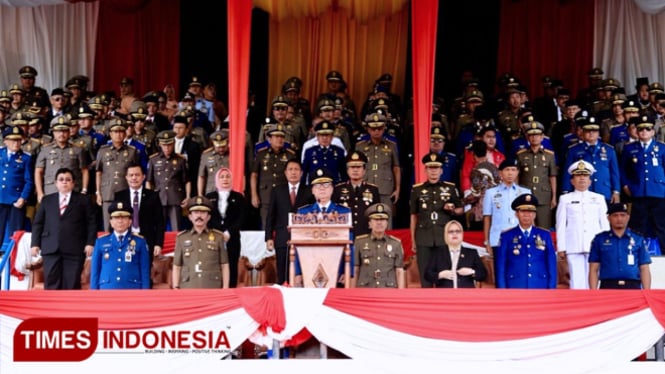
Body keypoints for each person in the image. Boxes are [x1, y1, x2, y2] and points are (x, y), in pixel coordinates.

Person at [30, 168, 98, 290]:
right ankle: (52, 309)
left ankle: (69, 309)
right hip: (51, 248)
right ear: (56, 183)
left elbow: (92, 223)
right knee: (51, 284)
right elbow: (38, 223)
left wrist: (90, 243)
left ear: (73, 183)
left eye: (68, 180)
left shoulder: (84, 200)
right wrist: (35, 244)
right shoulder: (47, 200)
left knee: (71, 284)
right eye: (61, 180)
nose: (64, 182)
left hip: (75, 249)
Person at [410, 152, 464, 288]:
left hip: (444, 238)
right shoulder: (417, 190)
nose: (433, 171)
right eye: (430, 168)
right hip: (423, 237)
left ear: (441, 170)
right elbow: (413, 216)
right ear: (425, 170)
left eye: (436, 168)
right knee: (425, 276)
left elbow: (460, 210)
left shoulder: (450, 188)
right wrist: (413, 240)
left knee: (445, 276)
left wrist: (451, 209)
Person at [555, 160, 609, 289]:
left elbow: (604, 223)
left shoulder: (599, 198)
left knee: (595, 278)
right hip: (573, 244)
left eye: (585, 176)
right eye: (578, 176)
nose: (582, 179)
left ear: (590, 181)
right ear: (572, 181)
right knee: (576, 279)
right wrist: (561, 246)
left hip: (595, 244)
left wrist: (606, 244)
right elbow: (561, 223)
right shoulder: (565, 199)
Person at [265, 159, 314, 284]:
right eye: (290, 169)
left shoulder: (309, 191)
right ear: (286, 173)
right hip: (282, 238)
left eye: (296, 169)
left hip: (303, 238)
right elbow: (271, 215)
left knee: (302, 272)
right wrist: (269, 237)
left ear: (302, 173)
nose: (293, 172)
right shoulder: (277, 191)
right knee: (283, 273)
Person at [620, 115, 665, 251]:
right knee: (639, 226)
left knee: (661, 226)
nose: (644, 132)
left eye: (647, 129)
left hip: (659, 192)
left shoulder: (662, 148)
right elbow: (623, 170)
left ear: (653, 131)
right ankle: (637, 254)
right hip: (638, 192)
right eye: (641, 129)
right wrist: (626, 185)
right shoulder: (629, 149)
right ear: (637, 132)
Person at [495, 193, 557, 289]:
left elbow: (552, 266)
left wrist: (551, 289)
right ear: (516, 214)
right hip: (515, 287)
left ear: (535, 215)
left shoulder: (545, 235)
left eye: (530, 211)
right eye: (523, 211)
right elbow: (501, 268)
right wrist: (502, 291)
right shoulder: (506, 236)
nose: (527, 214)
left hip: (540, 286)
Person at [589, 203, 652, 289]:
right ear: (609, 218)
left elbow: (644, 268)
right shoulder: (600, 239)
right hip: (608, 286)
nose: (619, 219)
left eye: (623, 215)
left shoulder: (638, 239)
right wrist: (593, 293)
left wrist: (647, 292)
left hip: (633, 287)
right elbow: (593, 269)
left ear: (628, 217)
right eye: (615, 215)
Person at [90, 201, 151, 289]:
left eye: (124, 217)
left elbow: (145, 271)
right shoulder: (101, 242)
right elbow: (95, 271)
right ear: (110, 221)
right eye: (116, 217)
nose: (120, 221)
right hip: (107, 289)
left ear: (130, 221)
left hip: (132, 290)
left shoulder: (140, 242)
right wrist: (94, 294)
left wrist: (145, 293)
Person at [172, 196, 230, 289]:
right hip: (188, 288)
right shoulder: (181, 238)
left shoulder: (218, 237)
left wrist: (225, 288)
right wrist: (176, 287)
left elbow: (224, 265)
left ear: (208, 217)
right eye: (195, 212)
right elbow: (177, 266)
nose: (199, 216)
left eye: (203, 212)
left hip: (212, 288)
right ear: (190, 217)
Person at [113, 163, 165, 264]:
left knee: (145, 271)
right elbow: (114, 220)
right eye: (131, 175)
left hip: (147, 240)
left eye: (137, 175)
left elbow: (159, 222)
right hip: (124, 239)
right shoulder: (119, 196)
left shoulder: (153, 196)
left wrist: (158, 244)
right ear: (126, 177)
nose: (134, 178)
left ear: (143, 177)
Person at [95, 118, 140, 230]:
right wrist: (98, 192)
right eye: (115, 132)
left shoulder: (132, 151)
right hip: (108, 192)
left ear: (125, 133)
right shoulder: (103, 151)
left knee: (126, 224)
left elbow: (136, 172)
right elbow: (99, 172)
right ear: (110, 133)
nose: (118, 135)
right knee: (108, 226)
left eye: (121, 131)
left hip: (125, 191)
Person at [206, 168, 246, 288]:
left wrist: (229, 232)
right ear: (217, 179)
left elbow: (242, 218)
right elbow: (207, 217)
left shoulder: (239, 197)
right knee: (214, 265)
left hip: (232, 239)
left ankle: (231, 291)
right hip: (213, 238)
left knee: (232, 265)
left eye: (227, 176)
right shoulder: (209, 197)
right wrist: (218, 233)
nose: (225, 179)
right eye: (222, 177)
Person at [34, 116, 90, 202]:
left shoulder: (78, 150)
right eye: (58, 131)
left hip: (73, 191)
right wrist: (40, 192)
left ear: (68, 132)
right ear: (53, 133)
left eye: (64, 131)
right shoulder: (45, 150)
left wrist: (84, 190)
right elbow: (38, 171)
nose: (61, 134)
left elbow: (84, 171)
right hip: (51, 190)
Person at [482, 159, 530, 257]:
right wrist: (487, 242)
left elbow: (530, 218)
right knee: (500, 270)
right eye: (507, 170)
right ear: (500, 173)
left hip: (520, 238)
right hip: (498, 239)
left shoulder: (525, 193)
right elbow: (487, 218)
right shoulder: (491, 193)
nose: (510, 173)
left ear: (517, 172)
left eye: (513, 170)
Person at [516, 119, 558, 229]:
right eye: (531, 135)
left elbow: (552, 176)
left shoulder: (549, 155)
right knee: (526, 226)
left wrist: (554, 197)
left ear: (542, 137)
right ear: (527, 137)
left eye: (537, 135)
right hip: (526, 195)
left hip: (544, 197)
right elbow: (517, 176)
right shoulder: (521, 155)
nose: (534, 137)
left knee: (544, 227)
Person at [352, 203, 405, 288]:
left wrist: (400, 295)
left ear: (387, 223)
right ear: (369, 223)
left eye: (383, 219)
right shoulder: (360, 242)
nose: (379, 223)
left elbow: (399, 271)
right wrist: (351, 293)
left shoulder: (396, 243)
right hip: (365, 290)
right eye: (376, 220)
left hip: (388, 291)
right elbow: (355, 270)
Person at [146, 130, 190, 231]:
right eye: (164, 145)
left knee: (176, 228)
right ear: (160, 145)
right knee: (159, 229)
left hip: (176, 197)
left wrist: (188, 197)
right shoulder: (153, 160)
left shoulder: (181, 160)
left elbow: (187, 180)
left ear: (173, 143)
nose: (166, 147)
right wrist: (150, 197)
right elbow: (149, 181)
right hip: (159, 197)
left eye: (169, 145)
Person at [425, 220, 487, 288]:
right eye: (451, 232)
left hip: (466, 294)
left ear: (462, 234)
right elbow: (427, 275)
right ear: (445, 234)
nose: (455, 234)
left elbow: (483, 274)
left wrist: (472, 272)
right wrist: (440, 275)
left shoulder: (471, 253)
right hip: (444, 295)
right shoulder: (437, 253)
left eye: (458, 231)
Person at [332, 150, 380, 237]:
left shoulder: (373, 190)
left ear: (364, 170)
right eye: (352, 167)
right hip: (345, 235)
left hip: (366, 235)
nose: (355, 170)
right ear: (347, 170)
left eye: (358, 167)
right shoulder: (338, 189)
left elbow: (376, 215)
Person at [0, 126, 33, 247]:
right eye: (13, 140)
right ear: (5, 141)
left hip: (16, 199)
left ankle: (14, 261)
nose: (16, 143)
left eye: (19, 140)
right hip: (0, 197)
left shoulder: (26, 158)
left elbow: (29, 181)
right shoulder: (0, 153)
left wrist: (23, 198)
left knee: (16, 233)